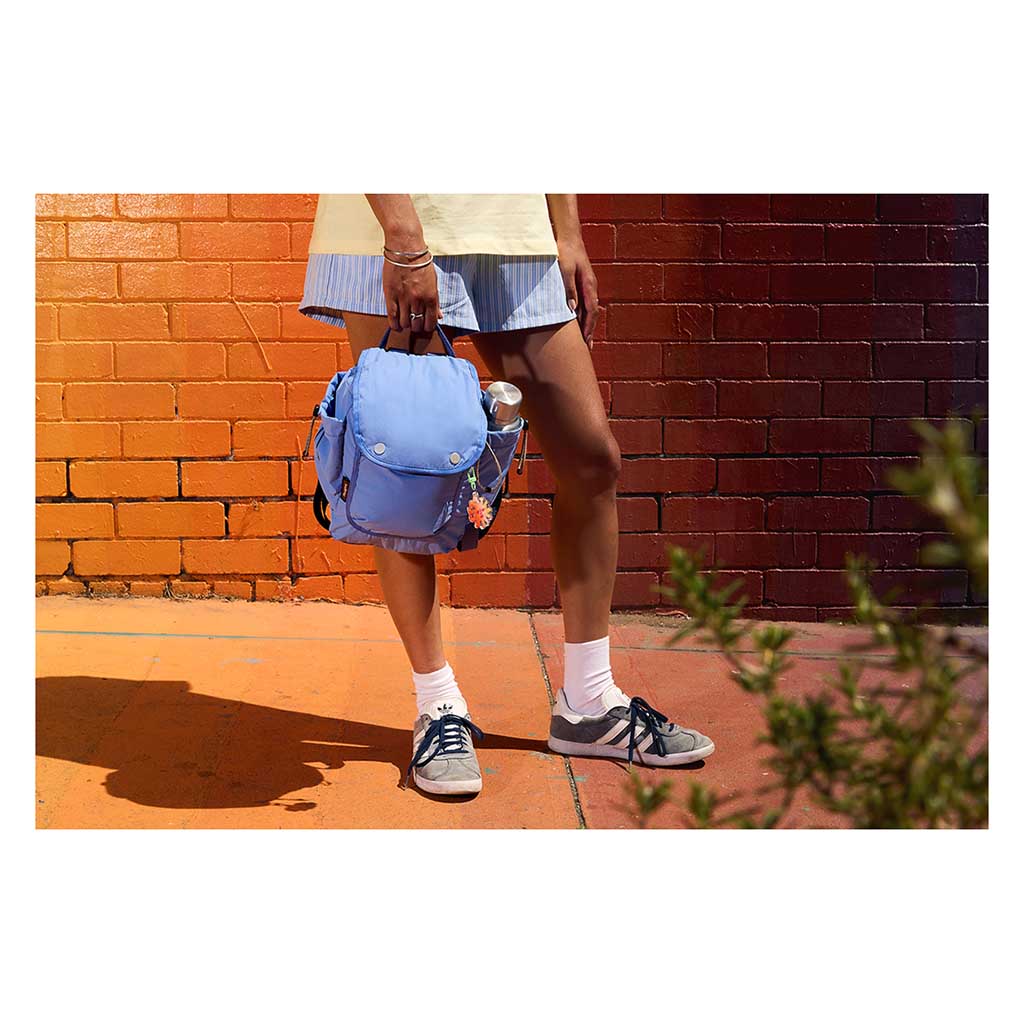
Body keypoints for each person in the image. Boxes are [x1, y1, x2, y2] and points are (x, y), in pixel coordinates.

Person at [299, 194, 714, 796]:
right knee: (402, 474)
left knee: (591, 460)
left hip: (512, 229)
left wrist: (566, 233)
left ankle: (589, 702)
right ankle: (438, 706)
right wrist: (403, 235)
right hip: (395, 228)